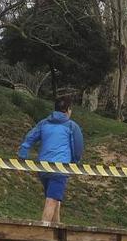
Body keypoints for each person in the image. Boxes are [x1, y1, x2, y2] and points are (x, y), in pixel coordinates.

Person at [18, 96, 84, 224]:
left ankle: (57, 230)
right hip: (60, 169)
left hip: (43, 168)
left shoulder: (44, 123)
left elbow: (30, 137)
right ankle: (43, 232)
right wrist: (75, 162)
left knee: (55, 200)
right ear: (68, 110)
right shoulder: (71, 126)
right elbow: (78, 147)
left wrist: (23, 153)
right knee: (52, 200)